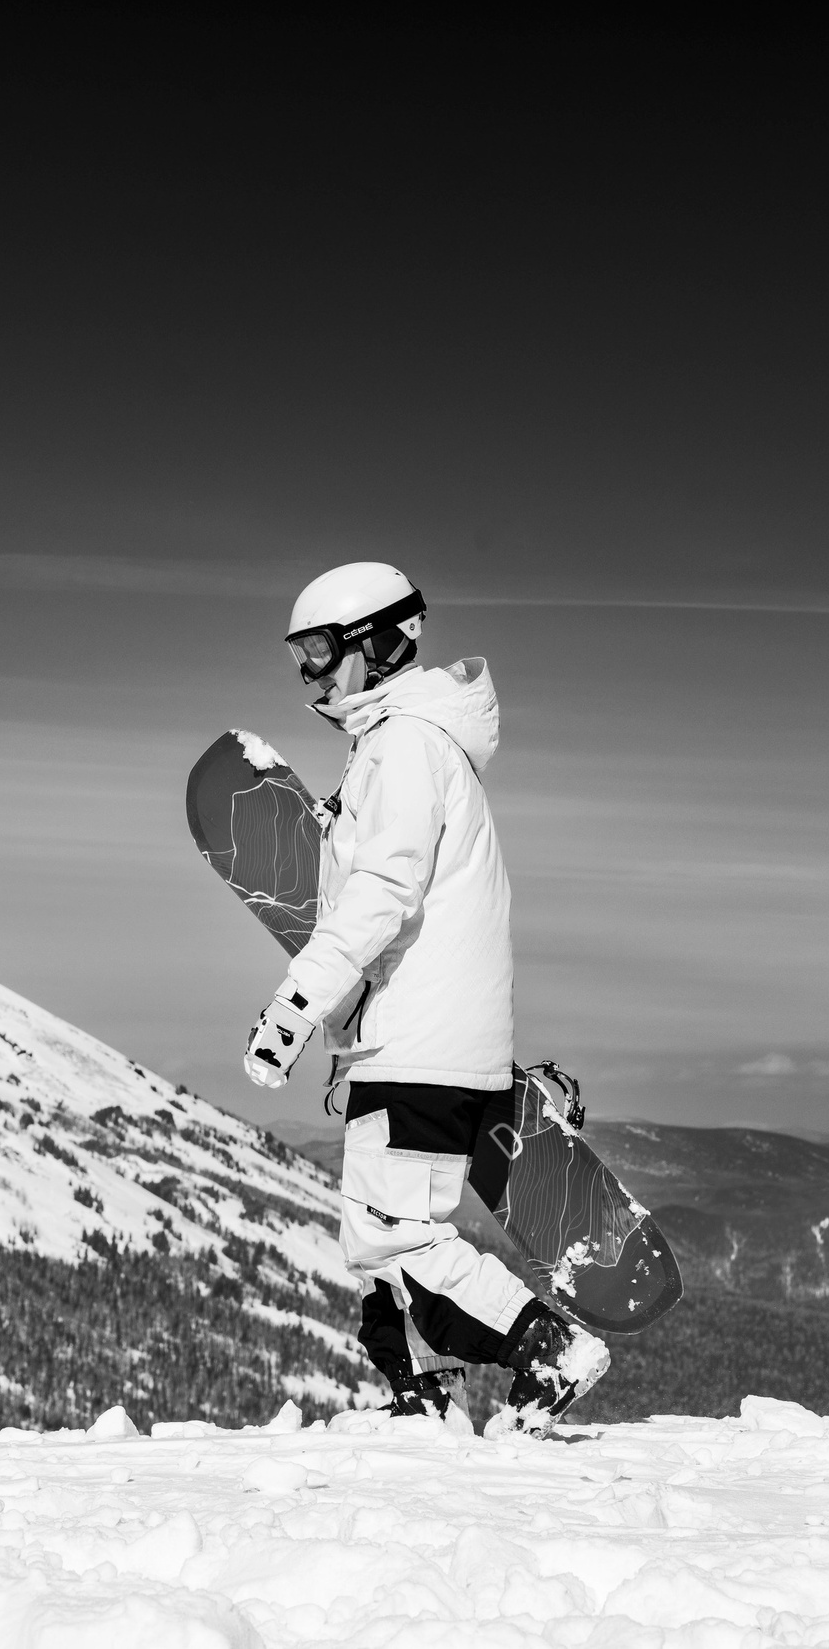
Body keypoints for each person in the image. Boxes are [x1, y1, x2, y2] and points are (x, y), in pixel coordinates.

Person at [241, 561, 610, 1433]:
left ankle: (547, 1349)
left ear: (380, 640)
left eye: (322, 650)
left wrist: (295, 1007)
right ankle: (418, 1391)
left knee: (397, 1233)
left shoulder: (406, 745)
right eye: (299, 655)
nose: (310, 675)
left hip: (420, 1046)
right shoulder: (404, 747)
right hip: (421, 1041)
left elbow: (383, 894)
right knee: (372, 1232)